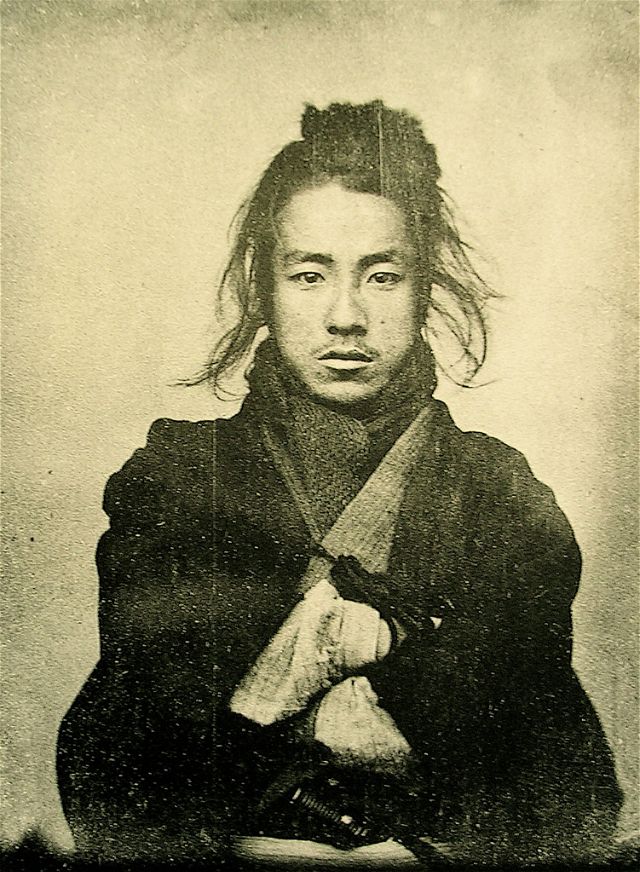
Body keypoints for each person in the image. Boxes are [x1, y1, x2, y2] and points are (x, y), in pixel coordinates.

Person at [56, 101, 622, 867]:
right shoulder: (176, 482)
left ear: (425, 288)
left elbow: (562, 785)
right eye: (309, 275)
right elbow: (121, 760)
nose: (346, 315)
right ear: (265, 288)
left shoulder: (498, 494)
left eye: (382, 276)